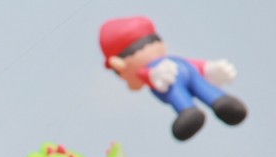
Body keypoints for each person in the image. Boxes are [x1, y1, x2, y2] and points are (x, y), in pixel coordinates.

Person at [99, 16, 247, 141]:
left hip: (171, 79)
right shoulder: (173, 61)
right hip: (188, 72)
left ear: (118, 64)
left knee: (175, 90)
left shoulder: (152, 71)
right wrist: (209, 67)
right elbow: (192, 65)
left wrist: (210, 68)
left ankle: (188, 111)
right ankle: (221, 100)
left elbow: (145, 76)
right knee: (199, 85)